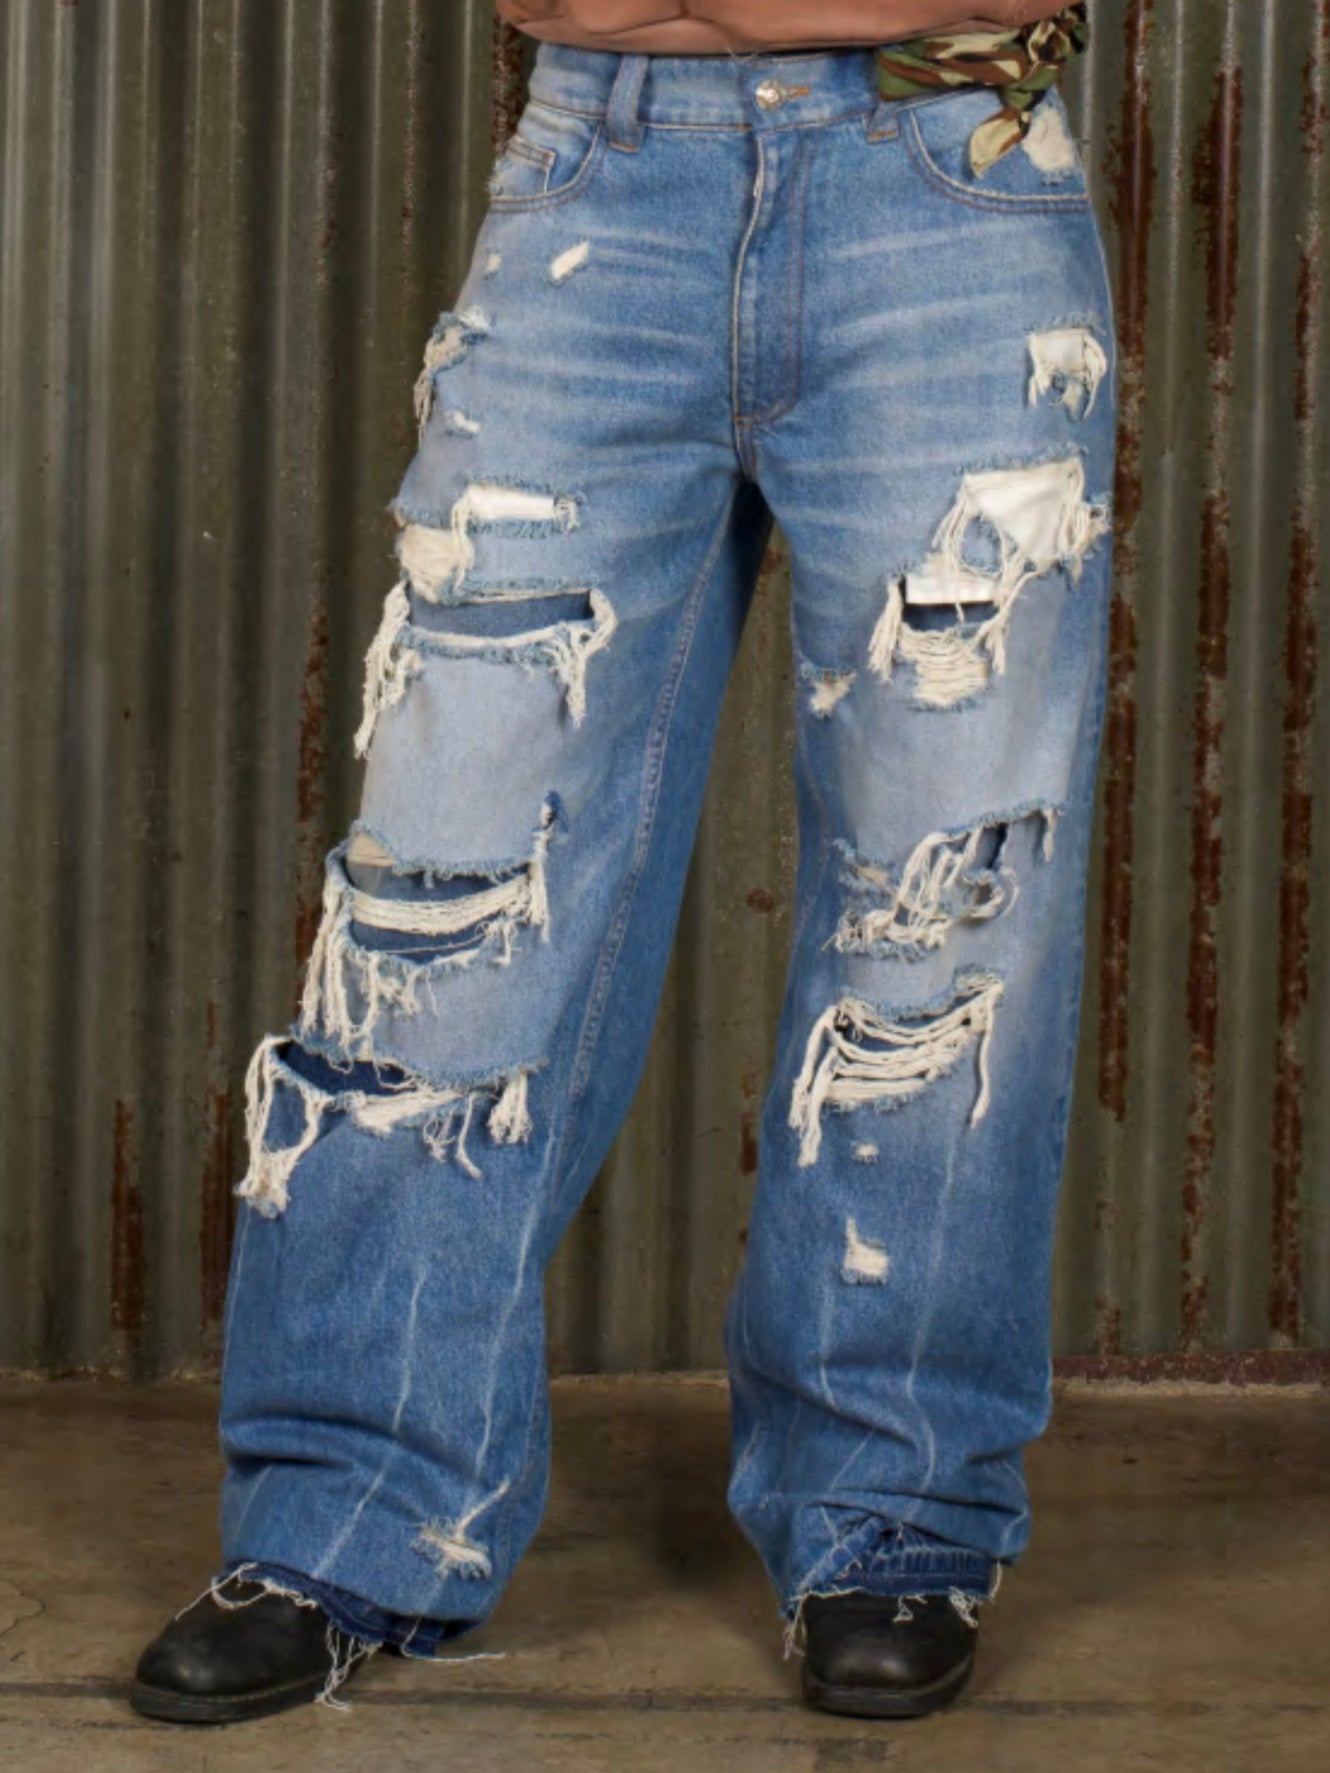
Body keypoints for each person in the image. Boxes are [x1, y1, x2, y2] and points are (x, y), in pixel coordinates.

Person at [132, 0, 1111, 1727]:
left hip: (945, 163)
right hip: (600, 164)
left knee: (943, 901)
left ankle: (890, 1511)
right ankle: (350, 1511)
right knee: (442, 877)